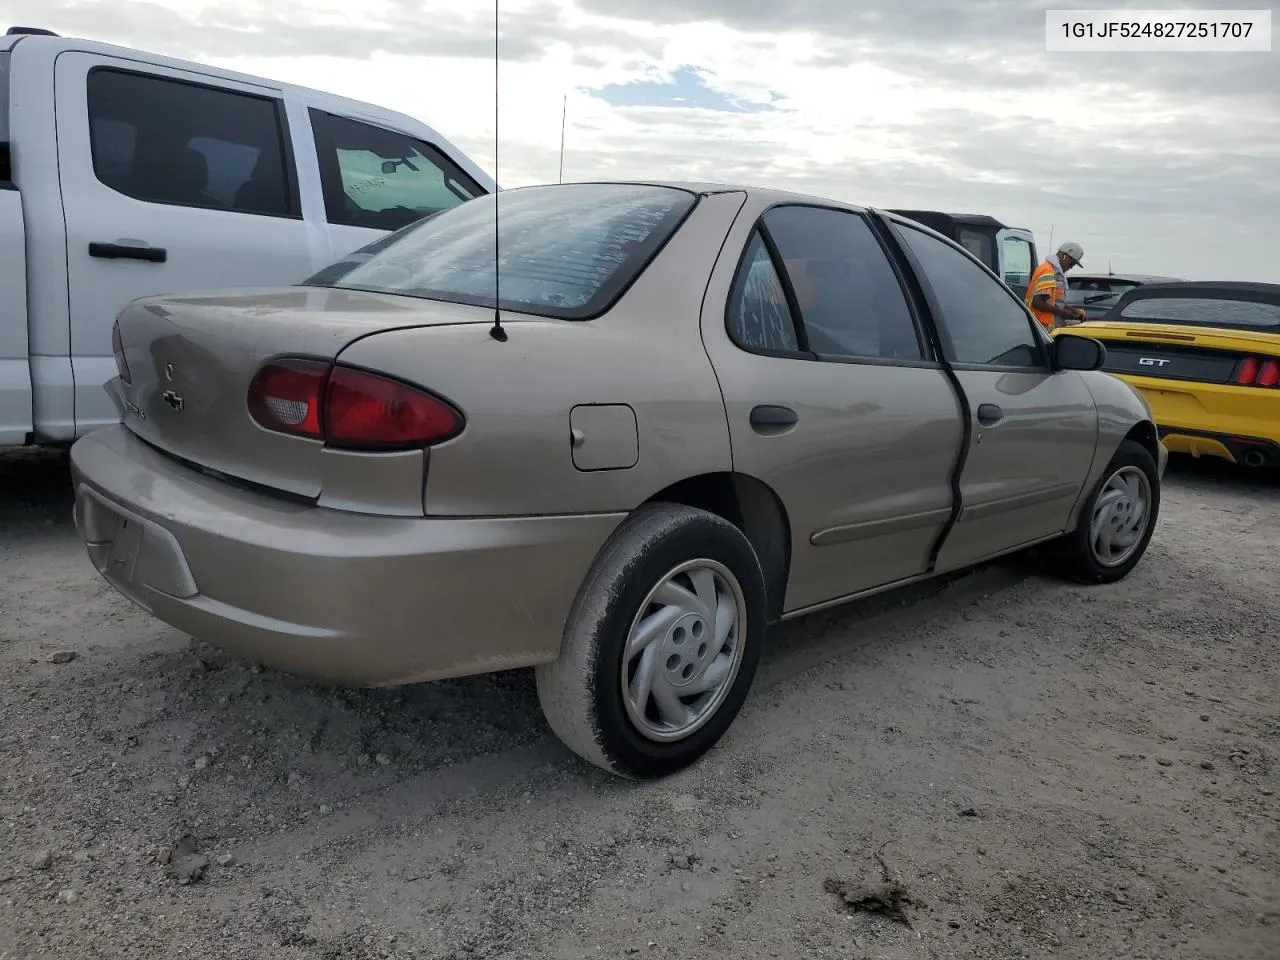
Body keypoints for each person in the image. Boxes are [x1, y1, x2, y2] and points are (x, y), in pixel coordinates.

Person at [1026, 241, 1088, 329]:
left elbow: (1054, 303)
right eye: (1072, 263)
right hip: (1040, 327)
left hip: (1043, 327)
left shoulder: (1054, 272)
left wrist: (1074, 311)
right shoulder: (1048, 271)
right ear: (1064, 256)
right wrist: (1062, 313)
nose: (1071, 267)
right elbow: (1037, 303)